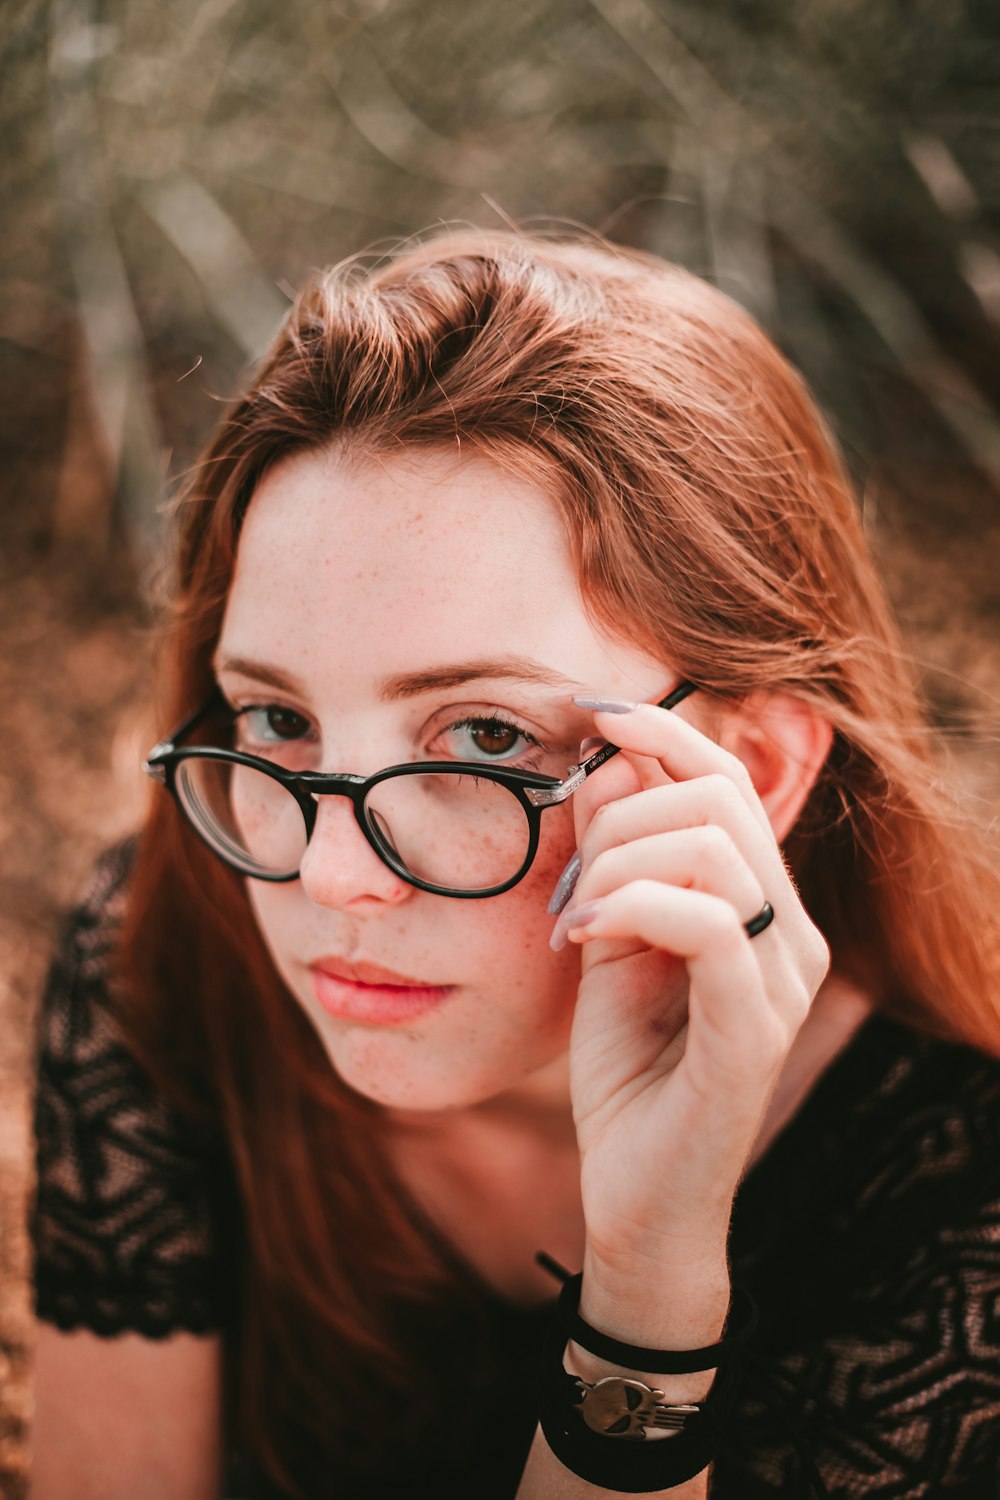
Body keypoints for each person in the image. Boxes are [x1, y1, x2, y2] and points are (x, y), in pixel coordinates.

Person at [29, 229, 1000, 1500]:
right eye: (278, 718)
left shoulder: (954, 1208)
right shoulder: (164, 950)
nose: (330, 877)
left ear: (754, 770)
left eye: (485, 738)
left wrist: (649, 1283)